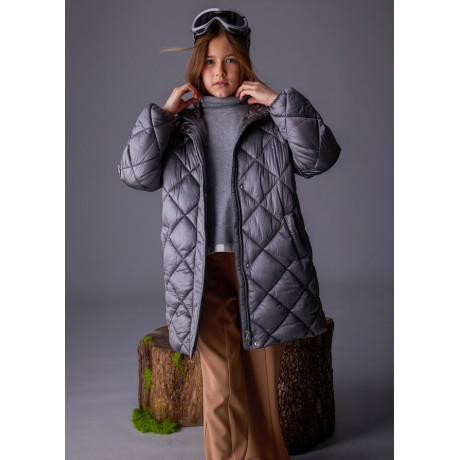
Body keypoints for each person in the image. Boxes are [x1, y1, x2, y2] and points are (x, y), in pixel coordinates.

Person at [118, 7, 341, 460]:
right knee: (219, 389)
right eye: (210, 61)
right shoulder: (179, 125)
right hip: (202, 271)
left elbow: (320, 158)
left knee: (261, 391)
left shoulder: (269, 119)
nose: (219, 71)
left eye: (230, 60)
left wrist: (280, 102)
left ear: (245, 63)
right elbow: (135, 174)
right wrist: (163, 114)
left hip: (265, 265)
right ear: (197, 66)